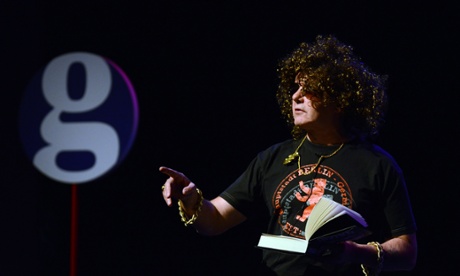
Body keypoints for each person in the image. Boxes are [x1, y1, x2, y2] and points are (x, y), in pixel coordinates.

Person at [160, 35, 417, 275]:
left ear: (340, 98)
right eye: (295, 88)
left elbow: (408, 251)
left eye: (310, 89)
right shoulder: (272, 158)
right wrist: (192, 200)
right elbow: (215, 219)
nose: (296, 96)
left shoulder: (377, 165)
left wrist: (358, 252)